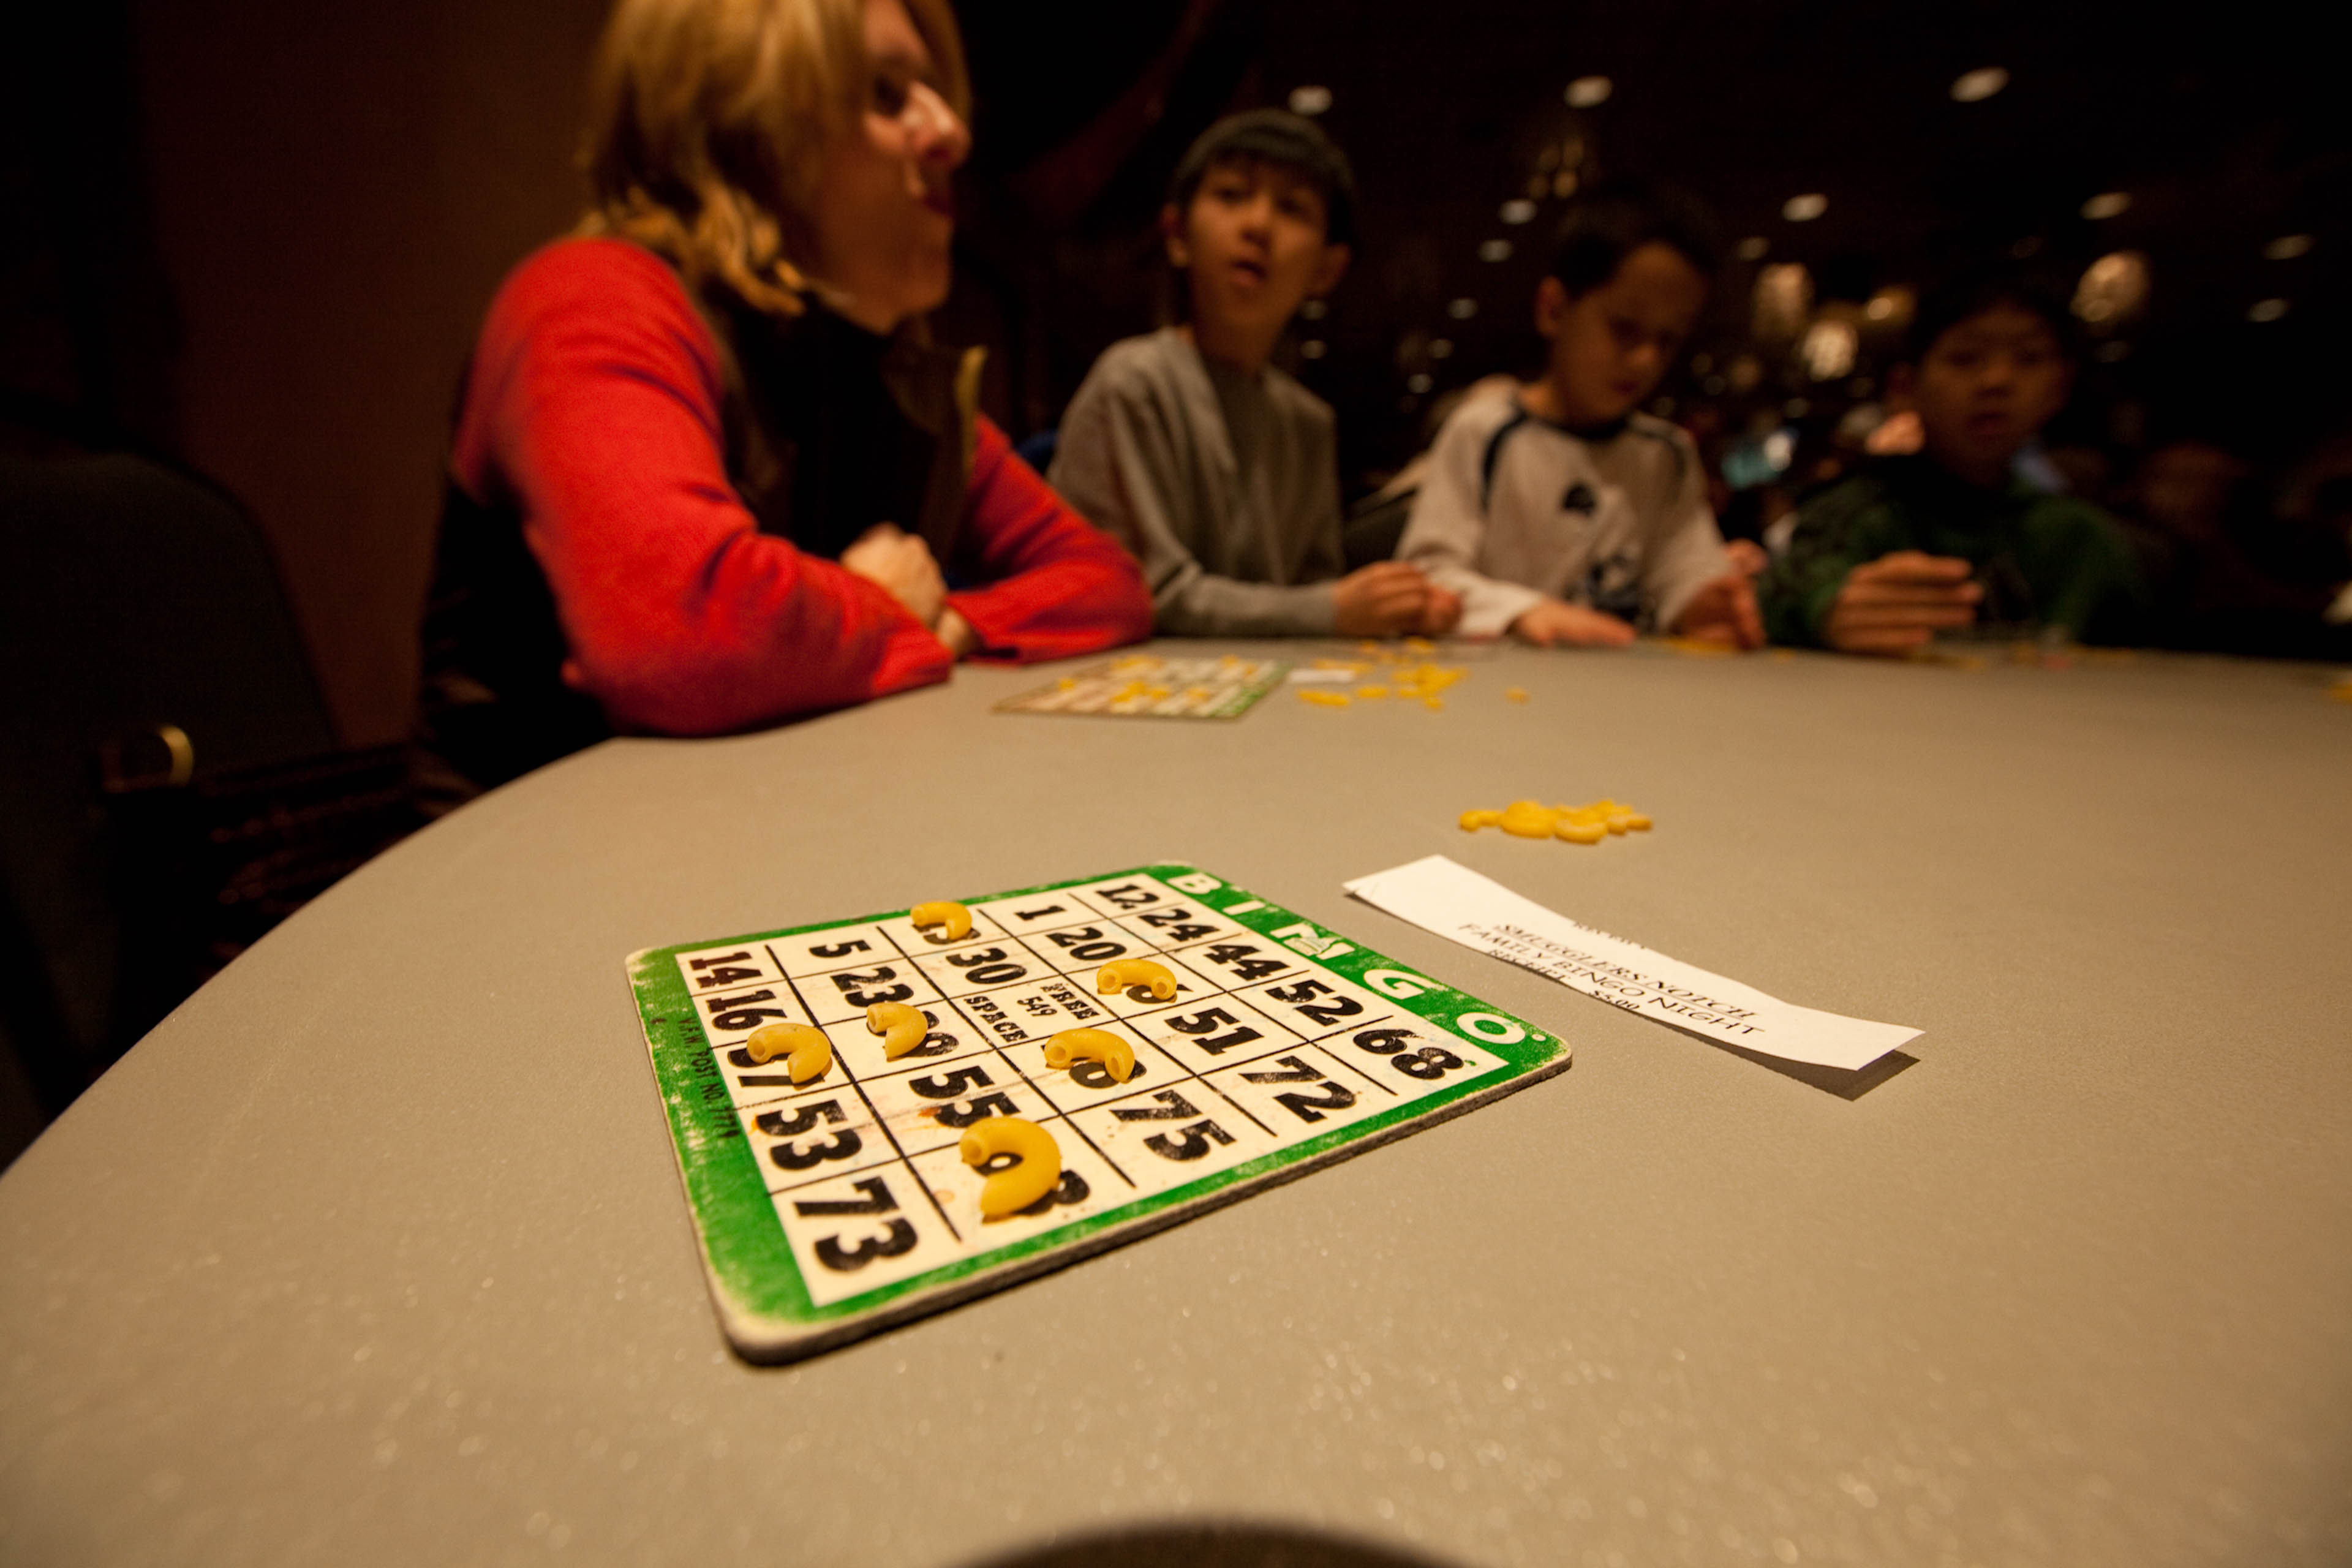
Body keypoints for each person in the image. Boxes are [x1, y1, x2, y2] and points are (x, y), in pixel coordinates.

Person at [417, 0, 1152, 796]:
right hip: (544, 871)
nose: (952, 133)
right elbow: (681, 629)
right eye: (884, 93)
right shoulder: (595, 298)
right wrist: (880, 605)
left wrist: (948, 624)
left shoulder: (893, 376)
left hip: (797, 829)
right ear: (747, 125)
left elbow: (1104, 581)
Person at [1049, 110, 1458, 638]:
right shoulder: (1135, 382)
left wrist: (1393, 609)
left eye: (1292, 208)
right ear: (1176, 234)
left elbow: (1314, 586)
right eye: (1231, 194)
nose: (1258, 225)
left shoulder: (1309, 422)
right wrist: (1334, 610)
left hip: (1258, 690)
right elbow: (1144, 594)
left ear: (1326, 270)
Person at [1396, 181, 1760, 648]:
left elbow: (1684, 576)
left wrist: (1706, 606)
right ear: (1554, 309)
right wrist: (1524, 611)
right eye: (1624, 329)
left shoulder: (1667, 457)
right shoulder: (1484, 431)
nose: (1646, 359)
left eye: (1667, 340)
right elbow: (1426, 578)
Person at [1759, 267, 2144, 654]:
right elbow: (1784, 586)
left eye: (2028, 359)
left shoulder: (2083, 539)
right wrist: (1825, 606)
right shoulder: (1855, 512)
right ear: (1905, 387)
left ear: (2060, 387)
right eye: (1965, 359)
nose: (1997, 380)